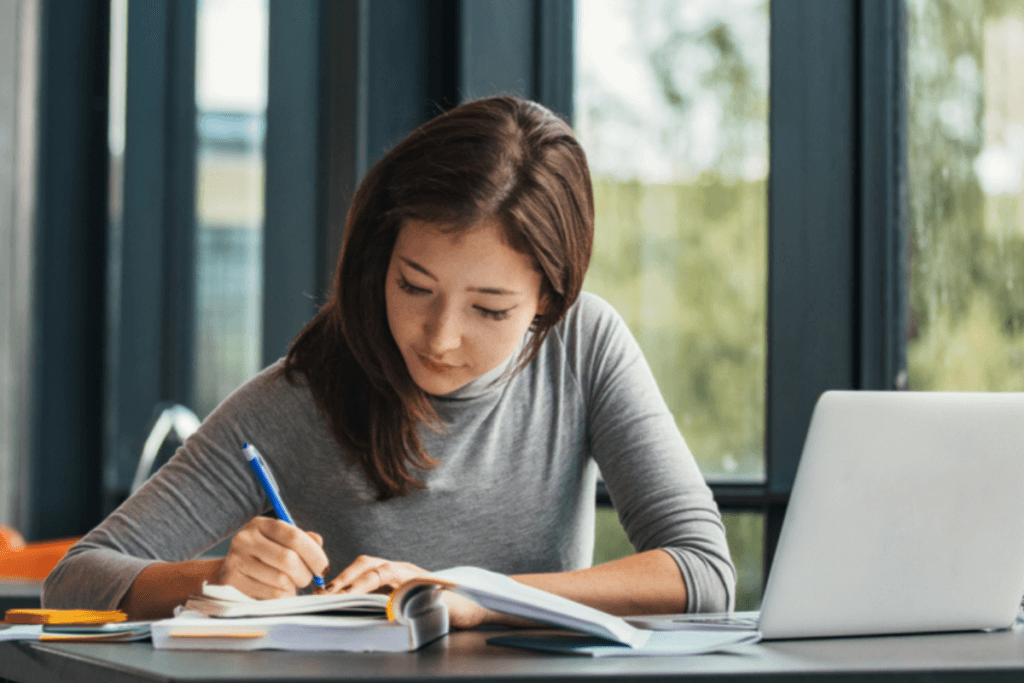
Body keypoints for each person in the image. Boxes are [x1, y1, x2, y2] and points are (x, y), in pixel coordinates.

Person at [43, 96, 736, 626]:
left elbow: (702, 571)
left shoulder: (584, 345)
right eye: (413, 286)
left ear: (548, 302)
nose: (439, 338)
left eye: (489, 310)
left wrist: (470, 593)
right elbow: (74, 578)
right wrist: (218, 575)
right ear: (380, 258)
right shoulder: (302, 396)